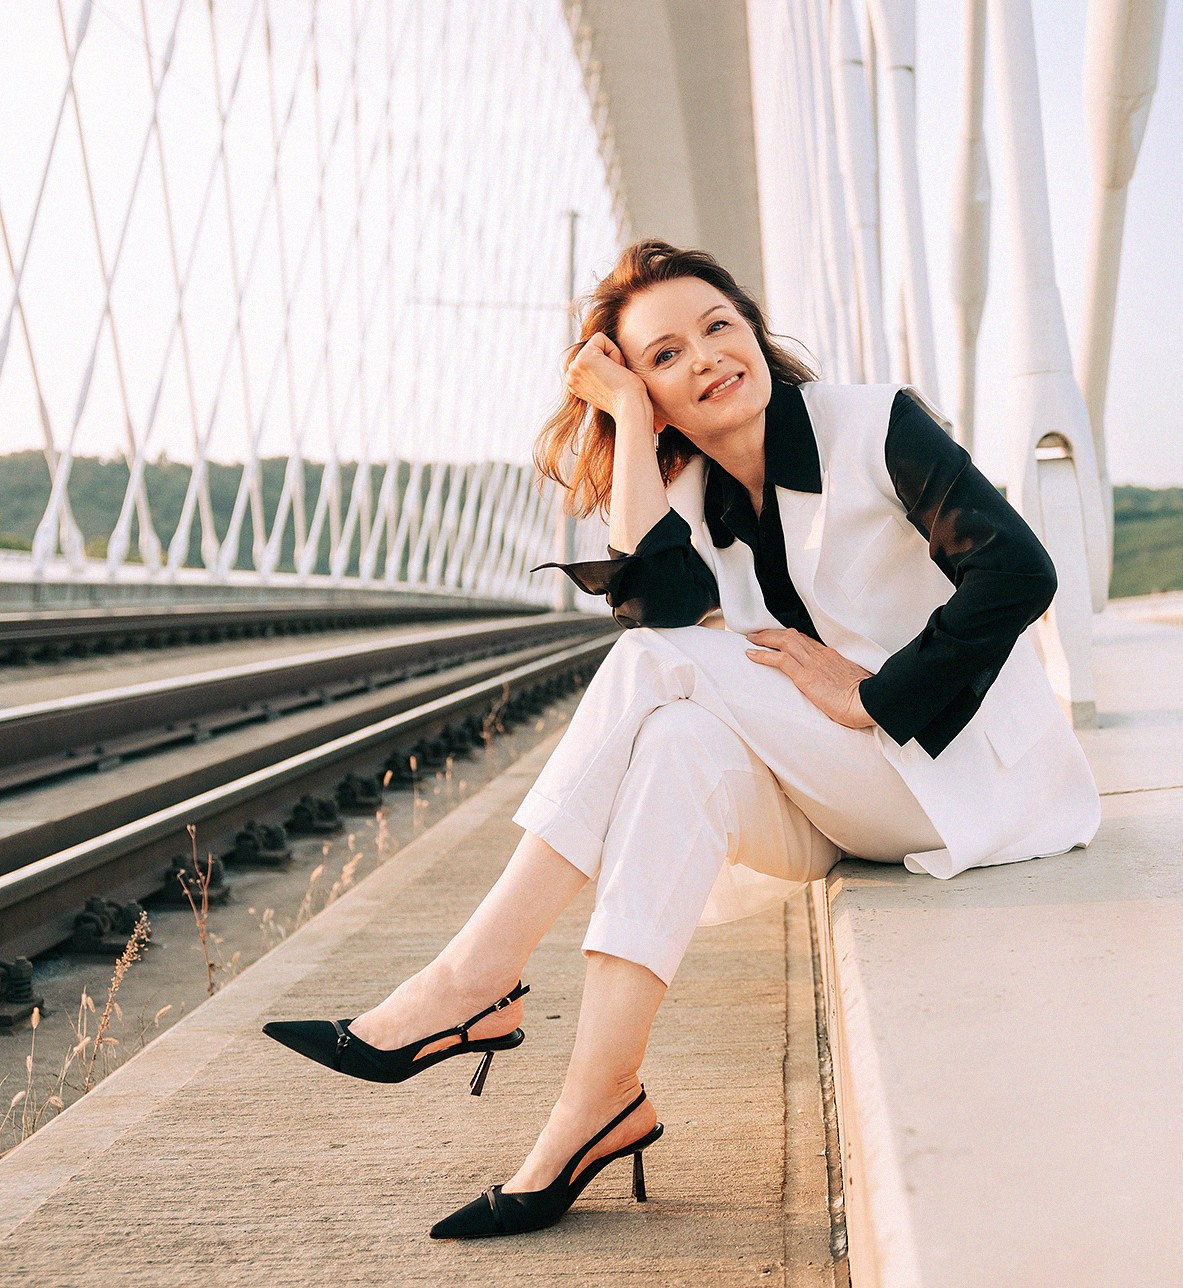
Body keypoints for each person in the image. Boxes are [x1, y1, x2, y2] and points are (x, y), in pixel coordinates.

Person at [261, 240, 1101, 1239]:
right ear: (652, 397)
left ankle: (469, 981)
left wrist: (879, 692)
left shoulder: (873, 425)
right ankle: (598, 1099)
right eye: (663, 356)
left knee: (658, 671)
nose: (704, 356)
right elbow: (654, 602)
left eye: (716, 326)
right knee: (674, 745)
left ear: (752, 328)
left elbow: (1020, 570)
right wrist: (621, 419)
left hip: (955, 776)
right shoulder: (694, 495)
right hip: (834, 793)